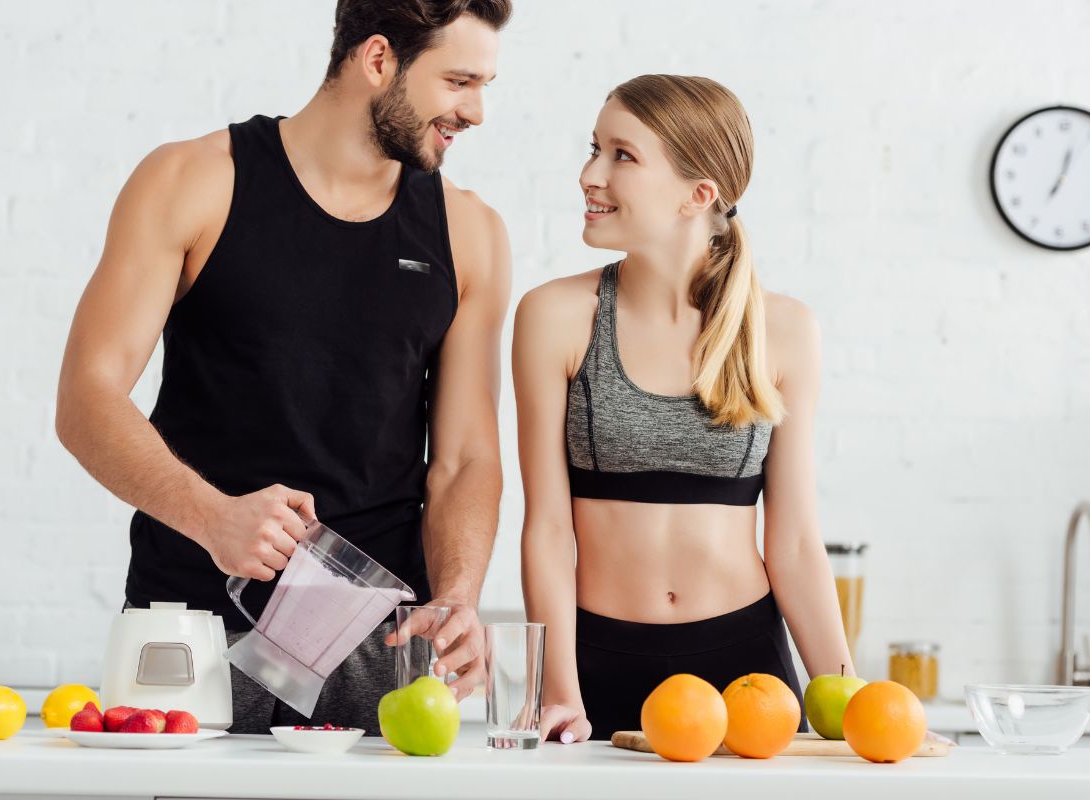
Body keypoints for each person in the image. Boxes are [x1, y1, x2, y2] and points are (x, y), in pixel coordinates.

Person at [55, 0, 513, 734]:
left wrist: (458, 592)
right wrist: (212, 517)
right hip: (192, 631)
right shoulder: (193, 179)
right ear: (377, 59)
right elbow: (86, 399)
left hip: (383, 648)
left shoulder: (472, 233)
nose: (477, 111)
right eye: (459, 81)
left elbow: (464, 460)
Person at [515, 74, 855, 742]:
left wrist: (855, 706)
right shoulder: (555, 316)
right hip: (595, 666)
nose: (590, 174)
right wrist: (557, 691)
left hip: (746, 668)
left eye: (622, 155)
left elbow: (792, 544)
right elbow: (548, 530)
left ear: (697, 195)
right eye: (594, 148)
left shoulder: (782, 329)